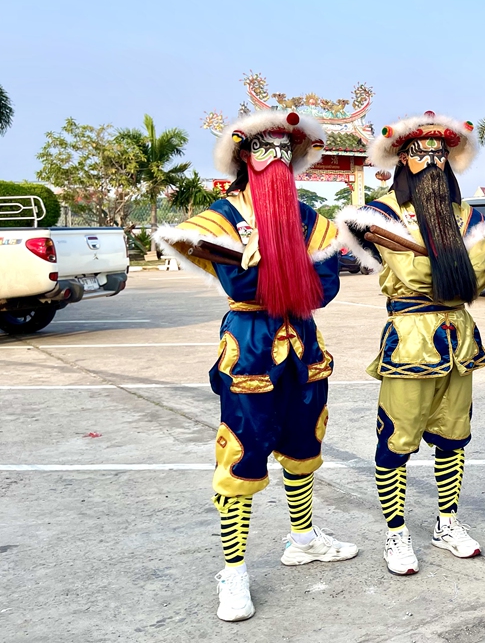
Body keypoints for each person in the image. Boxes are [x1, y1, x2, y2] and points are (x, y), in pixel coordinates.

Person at [155, 110, 358, 622]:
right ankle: (234, 570)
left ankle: (303, 536)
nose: (276, 160)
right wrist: (277, 270)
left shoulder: (314, 220)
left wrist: (272, 265)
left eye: (284, 152)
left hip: (304, 346)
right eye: (264, 150)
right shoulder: (220, 219)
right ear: (245, 156)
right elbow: (240, 288)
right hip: (248, 344)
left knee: (304, 442)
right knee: (242, 455)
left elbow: (326, 288)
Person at [335, 111, 485, 577]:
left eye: (439, 153)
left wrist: (449, 273)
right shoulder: (378, 214)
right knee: (397, 442)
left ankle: (447, 524)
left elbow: (475, 278)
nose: (432, 161)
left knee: (453, 437)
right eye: (420, 153)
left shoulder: (469, 215)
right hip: (409, 340)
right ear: (403, 159)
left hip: (456, 338)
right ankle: (396, 533)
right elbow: (416, 273)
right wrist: (444, 270)